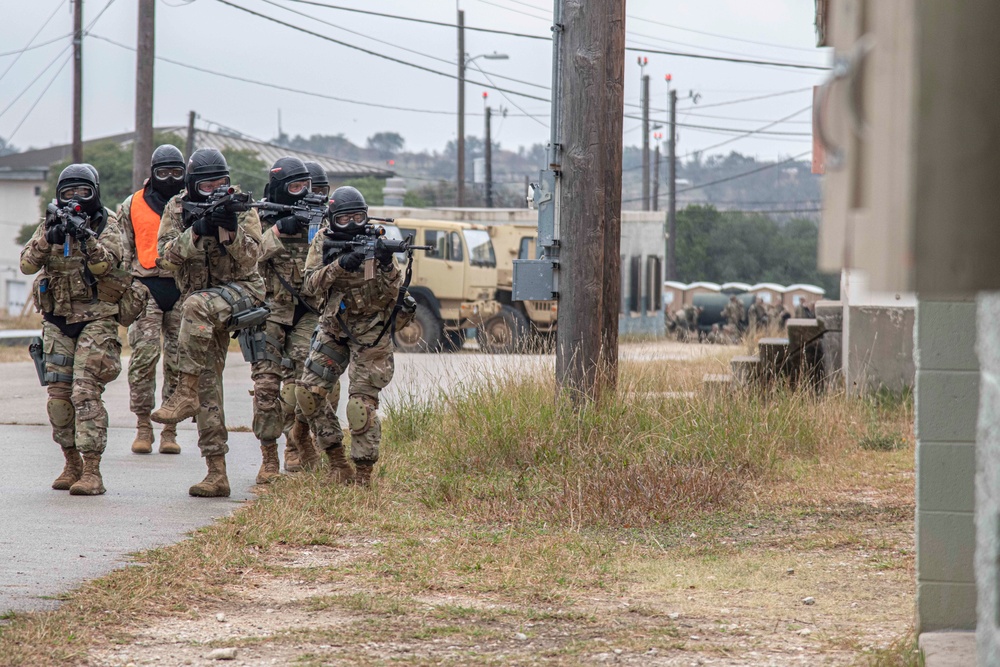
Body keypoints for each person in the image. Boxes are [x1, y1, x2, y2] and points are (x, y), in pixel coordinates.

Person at [150, 148, 265, 498]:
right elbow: (165, 258)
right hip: (200, 309)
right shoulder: (177, 208)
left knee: (195, 305)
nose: (216, 189)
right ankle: (217, 473)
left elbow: (253, 260)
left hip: (242, 291)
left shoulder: (241, 207)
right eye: (207, 184)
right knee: (207, 388)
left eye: (221, 183)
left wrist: (229, 231)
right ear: (192, 185)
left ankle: (181, 392)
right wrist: (196, 232)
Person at [20, 164, 125, 495]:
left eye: (83, 192)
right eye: (68, 193)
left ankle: (93, 470)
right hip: (57, 320)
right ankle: (71, 462)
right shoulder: (49, 223)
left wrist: (86, 237)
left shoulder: (108, 223)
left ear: (94, 192)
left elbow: (107, 265)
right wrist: (48, 237)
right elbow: (26, 264)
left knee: (85, 393)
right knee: (59, 400)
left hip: (97, 318)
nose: (75, 199)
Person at [298, 186, 405, 486]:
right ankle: (336, 461)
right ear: (332, 219)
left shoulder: (376, 241)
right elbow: (309, 285)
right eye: (344, 219)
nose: (353, 223)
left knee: (361, 407)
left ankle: (363, 476)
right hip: (333, 327)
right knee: (308, 394)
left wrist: (383, 263)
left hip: (371, 333)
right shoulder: (322, 240)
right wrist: (339, 266)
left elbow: (392, 293)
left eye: (359, 217)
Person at [251, 157, 323, 484]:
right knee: (266, 387)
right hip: (269, 312)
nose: (302, 193)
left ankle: (298, 438)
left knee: (305, 386)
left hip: (307, 312)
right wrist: (278, 230)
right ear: (280, 187)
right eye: (295, 187)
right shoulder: (258, 219)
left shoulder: (318, 219)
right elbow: (246, 259)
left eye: (305, 186)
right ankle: (269, 457)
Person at [117, 145, 186, 455]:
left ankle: (170, 430)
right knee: (143, 359)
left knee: (178, 361)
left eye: (176, 173)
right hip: (145, 287)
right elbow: (122, 251)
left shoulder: (192, 203)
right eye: (163, 173)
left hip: (183, 289)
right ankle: (143, 425)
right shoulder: (131, 204)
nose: (170, 179)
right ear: (152, 173)